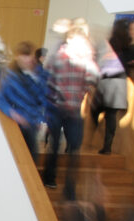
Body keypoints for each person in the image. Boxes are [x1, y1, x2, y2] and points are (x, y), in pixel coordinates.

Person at [42, 27, 98, 196]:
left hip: (73, 109)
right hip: (57, 108)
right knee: (55, 143)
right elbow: (48, 79)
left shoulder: (86, 59)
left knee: (74, 148)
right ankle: (49, 178)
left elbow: (92, 78)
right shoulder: (57, 57)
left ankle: (69, 186)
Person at [0, 41, 49, 160]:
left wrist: (40, 118)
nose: (28, 59)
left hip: (31, 123)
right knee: (15, 158)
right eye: (24, 55)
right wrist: (12, 113)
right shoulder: (8, 75)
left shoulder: (38, 74)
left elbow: (42, 97)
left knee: (31, 157)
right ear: (17, 56)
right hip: (14, 123)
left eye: (30, 55)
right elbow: (0, 98)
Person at [94, 21, 129, 155]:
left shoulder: (109, 43)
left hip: (107, 81)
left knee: (96, 111)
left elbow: (100, 61)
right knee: (111, 115)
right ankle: (107, 145)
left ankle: (92, 137)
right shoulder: (126, 45)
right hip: (120, 81)